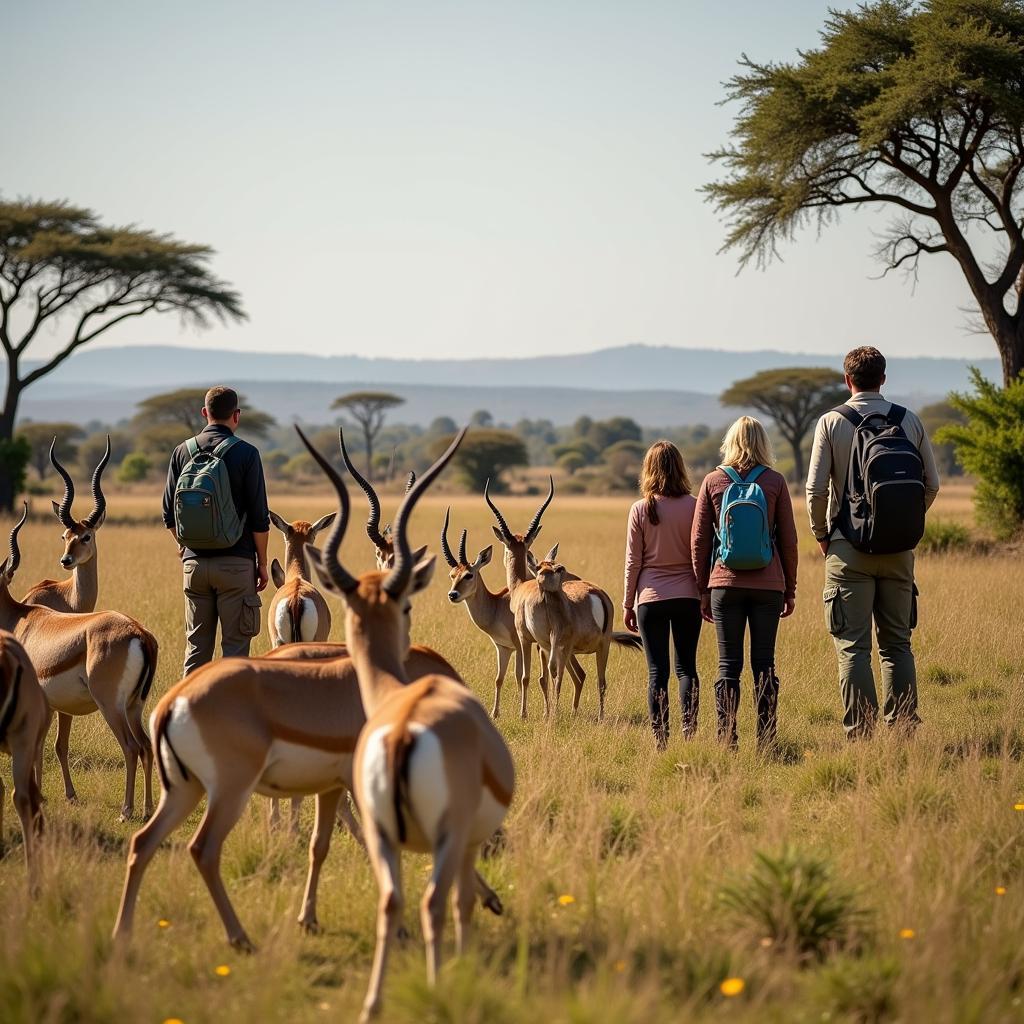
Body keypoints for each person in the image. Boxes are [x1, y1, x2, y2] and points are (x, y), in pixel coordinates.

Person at [806, 346, 940, 738]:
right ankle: (903, 733)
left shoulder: (831, 422)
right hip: (900, 551)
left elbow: (815, 490)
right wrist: (903, 522)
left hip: (847, 548)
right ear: (883, 378)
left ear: (847, 380)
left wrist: (822, 534)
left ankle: (860, 736)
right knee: (897, 646)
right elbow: (932, 484)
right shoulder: (908, 420)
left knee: (853, 648)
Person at [691, 417, 798, 750]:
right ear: (763, 443)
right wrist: (789, 588)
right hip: (769, 586)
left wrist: (703, 589)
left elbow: (699, 541)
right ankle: (766, 739)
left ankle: (726, 739)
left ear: (730, 442)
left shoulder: (712, 481)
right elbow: (790, 541)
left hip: (725, 584)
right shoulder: (776, 482)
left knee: (728, 665)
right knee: (764, 663)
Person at [162, 386, 270, 675]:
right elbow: (260, 518)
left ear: (204, 413)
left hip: (194, 567)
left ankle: (186, 716)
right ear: (237, 416)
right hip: (237, 566)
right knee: (234, 654)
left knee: (196, 651)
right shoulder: (247, 453)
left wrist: (187, 548)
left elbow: (168, 515)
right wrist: (261, 563)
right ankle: (229, 719)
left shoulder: (181, 452)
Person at [623, 441, 702, 750]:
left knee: (657, 671)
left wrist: (628, 603)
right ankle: (689, 731)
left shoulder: (641, 508)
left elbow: (634, 561)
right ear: (680, 467)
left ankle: (660, 738)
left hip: (650, 599)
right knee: (687, 668)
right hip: (688, 597)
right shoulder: (695, 505)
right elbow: (701, 554)